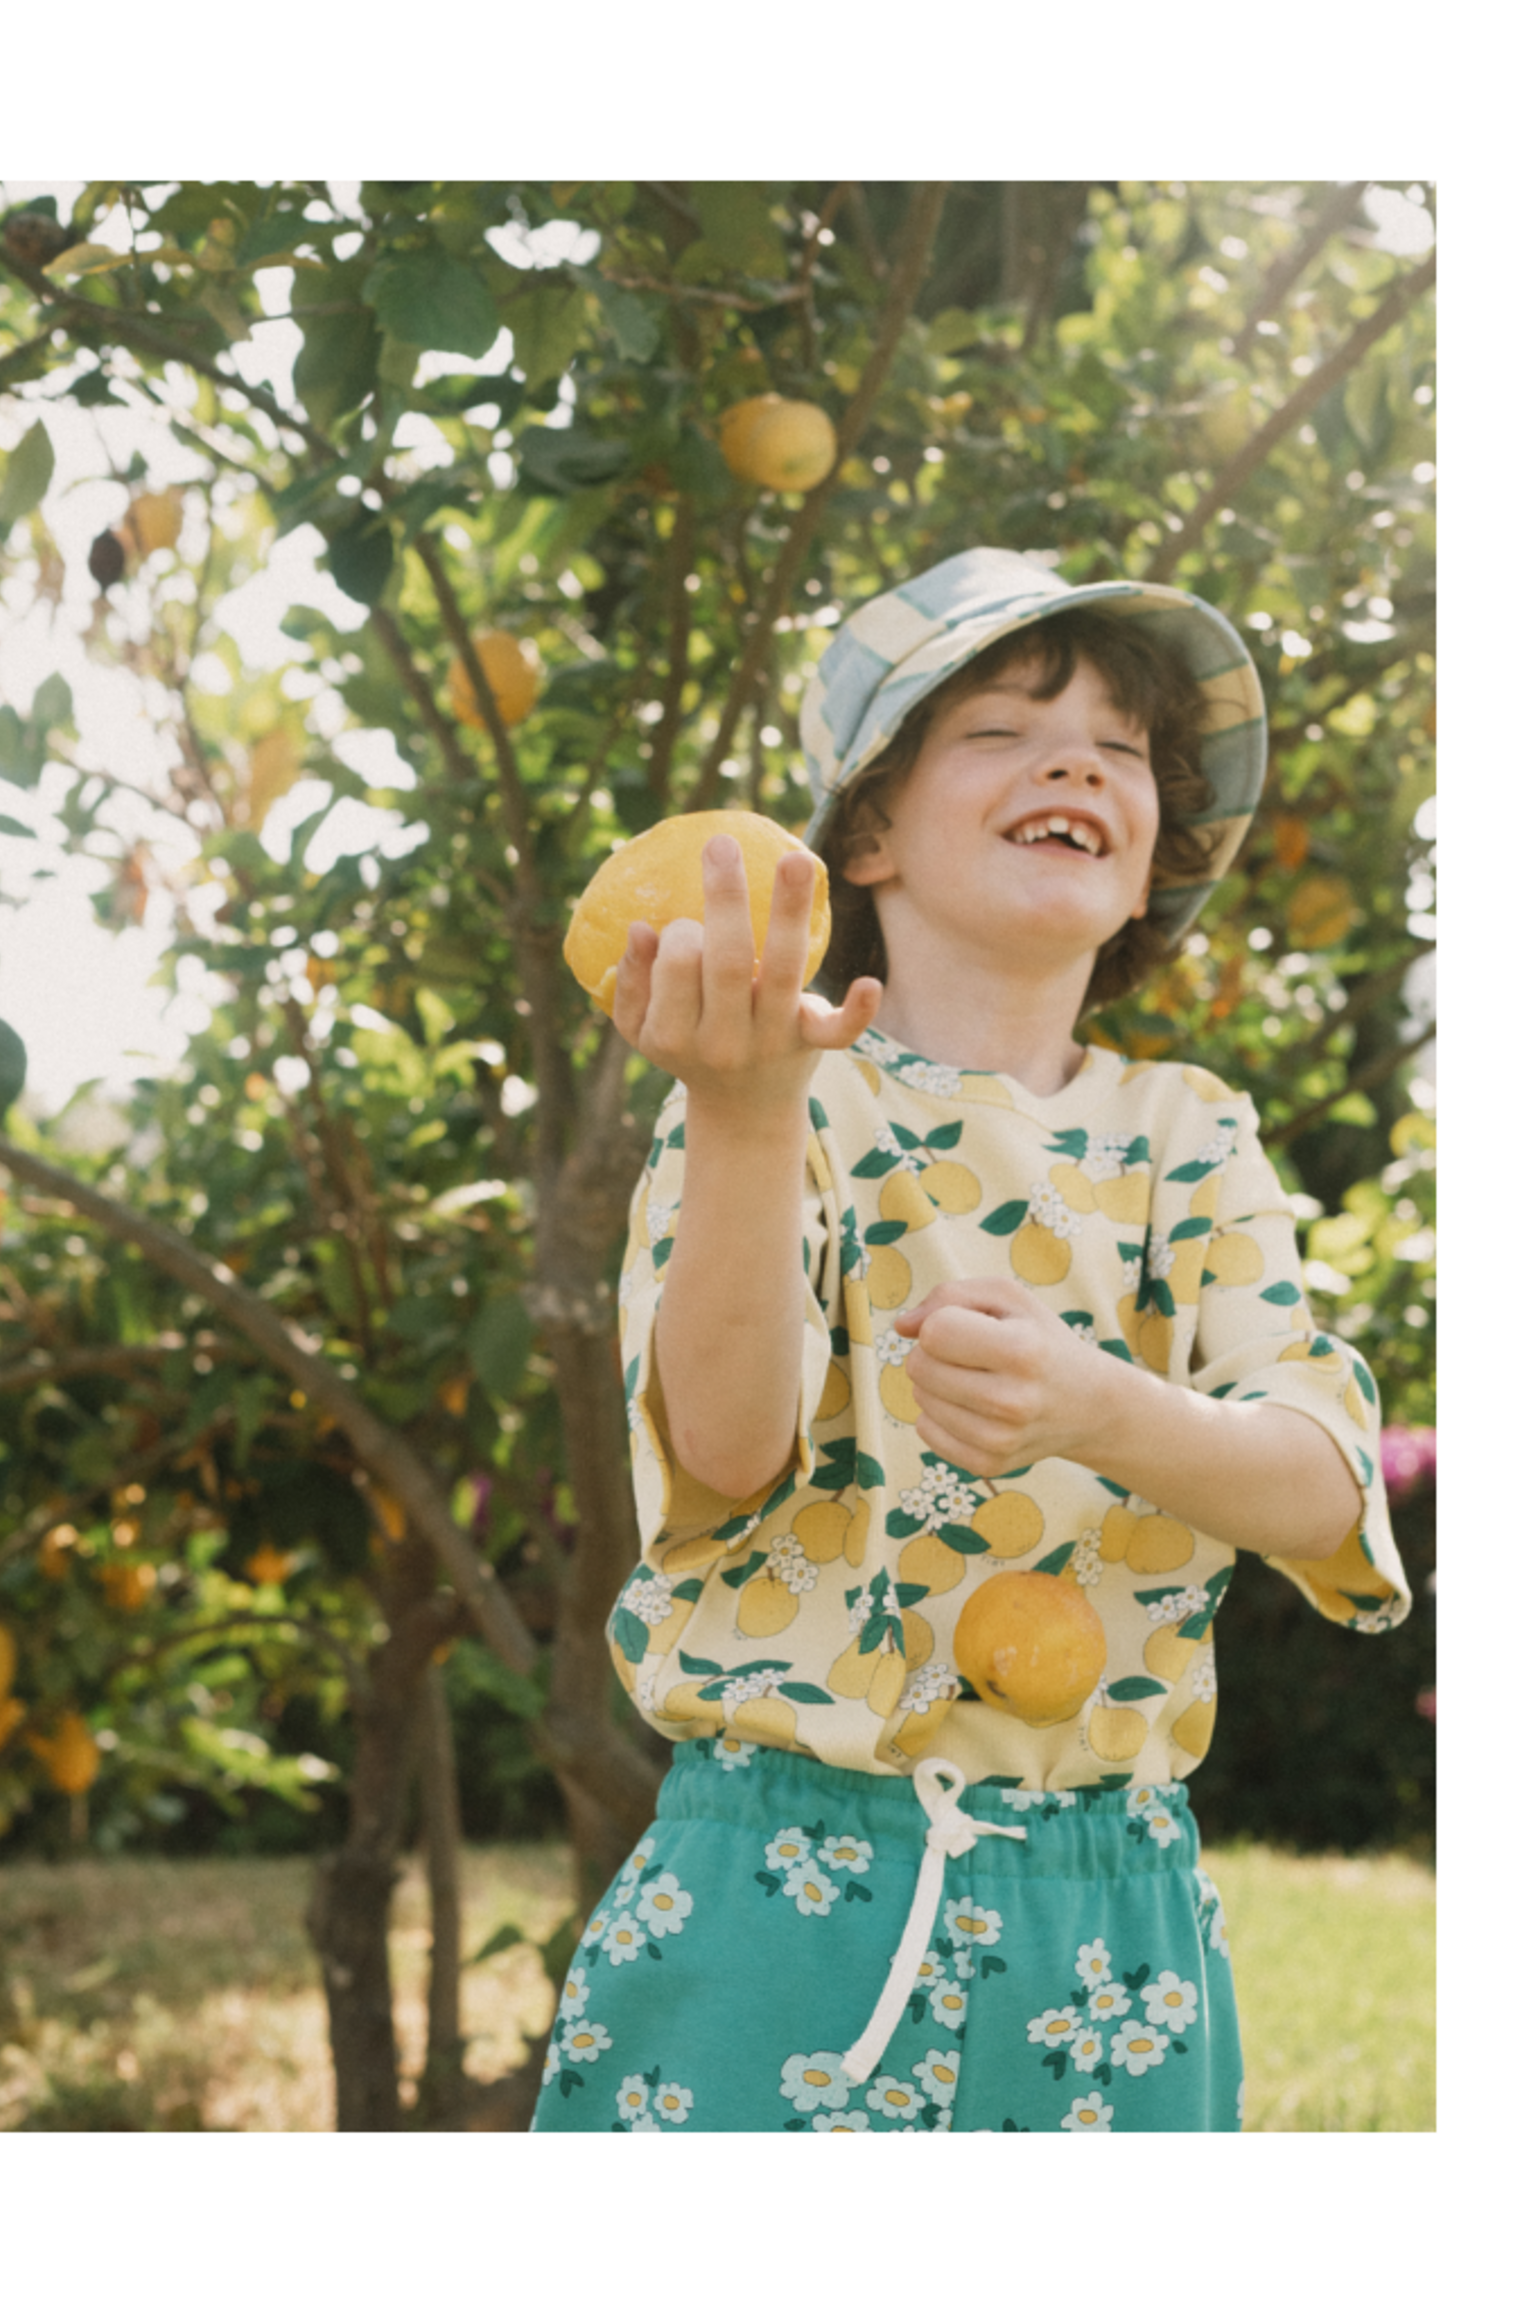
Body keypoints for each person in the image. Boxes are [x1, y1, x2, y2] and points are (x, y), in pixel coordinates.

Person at [532, 546, 1411, 2135]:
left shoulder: (1190, 1139)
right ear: (866, 830)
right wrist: (738, 1118)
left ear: (1146, 869)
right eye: (1001, 728)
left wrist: (1103, 1409)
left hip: (1111, 1921)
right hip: (778, 1896)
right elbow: (723, 1458)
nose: (1074, 758)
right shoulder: (770, 1102)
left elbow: (1329, 1498)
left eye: (1119, 747)